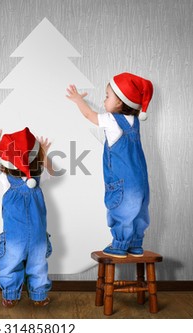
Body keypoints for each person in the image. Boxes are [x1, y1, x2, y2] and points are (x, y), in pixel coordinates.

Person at [66, 72, 153, 258]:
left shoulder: (112, 120)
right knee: (138, 212)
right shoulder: (135, 122)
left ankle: (120, 245)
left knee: (121, 211)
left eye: (107, 96)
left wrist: (77, 100)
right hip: (140, 182)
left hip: (122, 183)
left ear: (120, 102)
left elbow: (89, 115)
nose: (104, 100)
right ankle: (136, 244)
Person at [0, 127, 53, 307]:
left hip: (21, 236)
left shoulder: (6, 179)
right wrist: (44, 153)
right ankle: (29, 295)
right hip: (31, 236)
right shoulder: (32, 177)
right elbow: (52, 170)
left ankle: (17, 295)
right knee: (32, 266)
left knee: (15, 265)